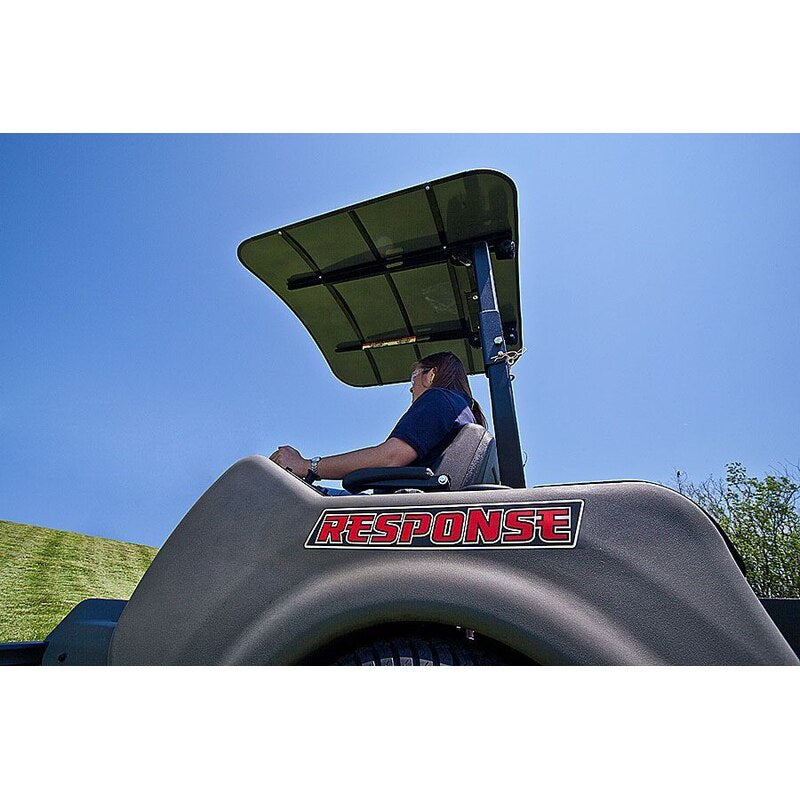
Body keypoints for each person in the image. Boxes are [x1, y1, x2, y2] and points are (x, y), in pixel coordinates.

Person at [269, 352, 487, 492]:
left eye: (414, 377)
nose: (411, 388)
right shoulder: (463, 412)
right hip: (407, 508)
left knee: (267, 484)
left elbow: (390, 457)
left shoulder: (439, 398)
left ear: (431, 375)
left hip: (397, 511)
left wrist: (308, 466)